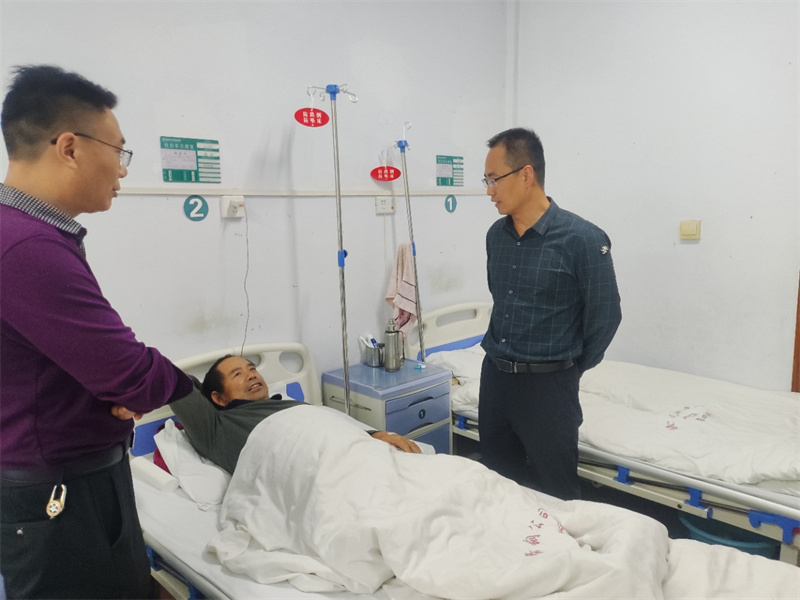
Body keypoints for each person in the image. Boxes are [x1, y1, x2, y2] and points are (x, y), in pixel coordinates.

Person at [0, 65, 194, 599]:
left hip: (57, 475)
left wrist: (118, 383)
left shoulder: (26, 235)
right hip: (59, 492)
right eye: (119, 150)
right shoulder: (26, 247)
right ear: (69, 147)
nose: (123, 169)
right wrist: (168, 384)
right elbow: (132, 374)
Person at [479, 127, 621, 501]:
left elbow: (606, 317)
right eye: (486, 181)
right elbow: (500, 299)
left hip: (548, 388)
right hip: (495, 379)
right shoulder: (496, 236)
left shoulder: (583, 239)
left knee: (557, 494)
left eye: (494, 179)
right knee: (496, 488)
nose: (489, 191)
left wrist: (567, 368)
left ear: (526, 174)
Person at [167, 355, 421, 474]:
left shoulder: (291, 407)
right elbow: (172, 379)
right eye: (237, 374)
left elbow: (331, 428)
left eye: (252, 368)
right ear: (218, 398)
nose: (252, 375)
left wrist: (375, 434)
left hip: (361, 456)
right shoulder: (218, 428)